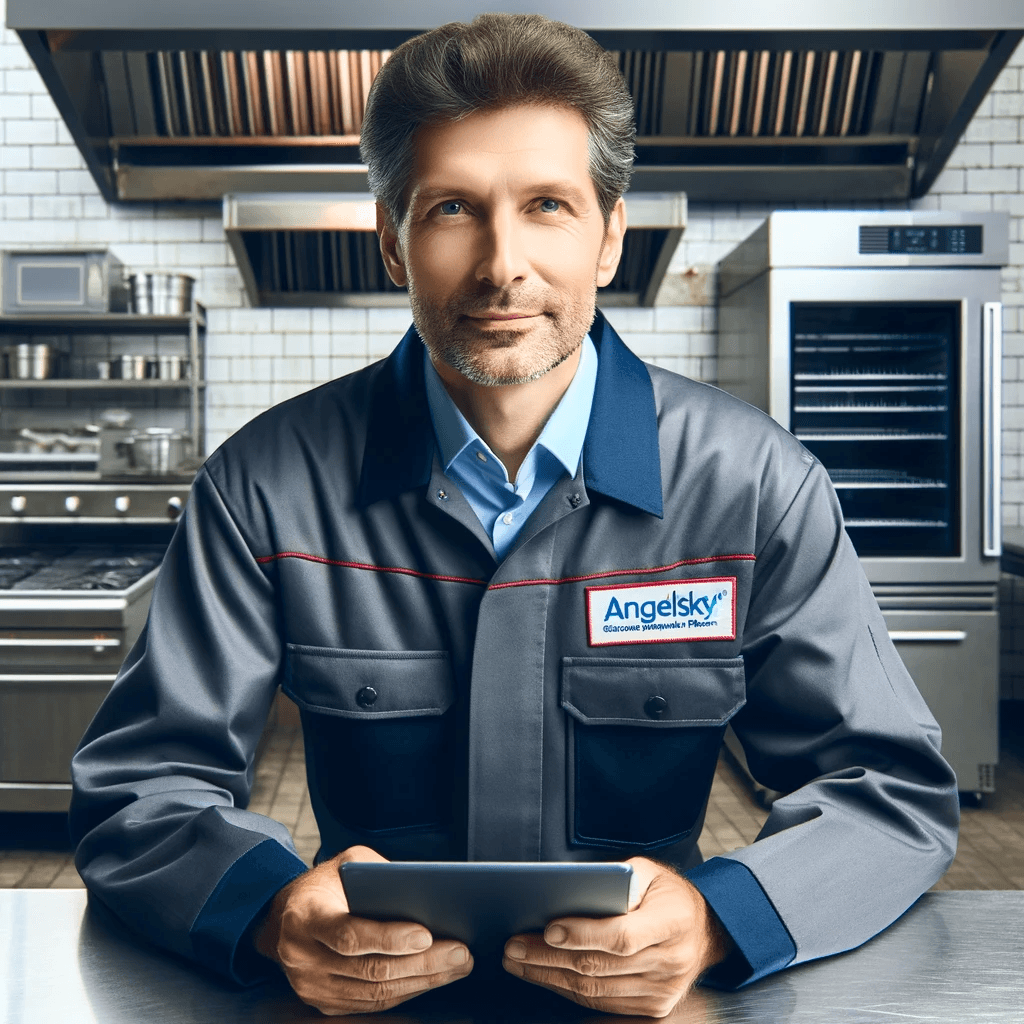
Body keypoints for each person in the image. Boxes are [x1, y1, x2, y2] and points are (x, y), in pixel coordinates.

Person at [69, 12, 959, 1020]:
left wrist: (721, 918)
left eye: (547, 205)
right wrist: (274, 909)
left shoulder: (757, 485)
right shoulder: (262, 486)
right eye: (453, 208)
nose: (502, 264)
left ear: (610, 234)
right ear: (393, 241)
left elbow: (885, 791)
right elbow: (141, 787)